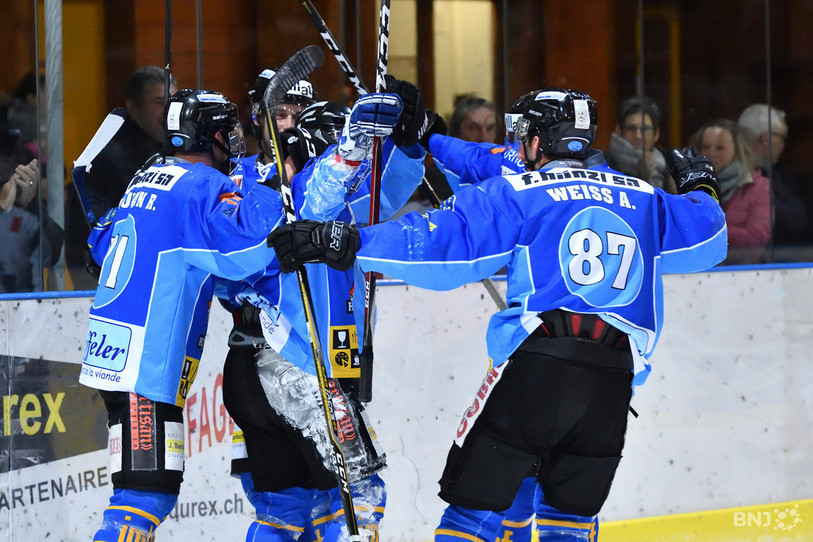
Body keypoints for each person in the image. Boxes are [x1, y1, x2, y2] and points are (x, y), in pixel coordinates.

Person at [268, 88, 728, 542]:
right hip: (612, 381)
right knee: (568, 525)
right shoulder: (646, 197)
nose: (517, 143)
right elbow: (709, 238)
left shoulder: (521, 192)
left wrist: (347, 242)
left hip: (538, 369)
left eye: (523, 134)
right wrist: (702, 188)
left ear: (538, 140)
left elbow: (442, 242)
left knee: (471, 518)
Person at [220, 73, 427, 542]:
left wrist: (408, 142)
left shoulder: (314, 186)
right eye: (280, 113)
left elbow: (380, 192)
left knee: (288, 510)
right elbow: (315, 197)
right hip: (293, 361)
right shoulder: (253, 183)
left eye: (298, 114)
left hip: (275, 368)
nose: (289, 123)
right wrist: (349, 147)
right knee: (359, 501)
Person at [80, 88, 288, 542]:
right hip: (145, 367)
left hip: (115, 356)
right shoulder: (201, 186)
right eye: (228, 130)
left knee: (142, 494)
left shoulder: (146, 176)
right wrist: (271, 186)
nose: (235, 139)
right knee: (143, 499)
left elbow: (100, 244)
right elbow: (247, 249)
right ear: (212, 136)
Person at [65, 66, 178, 289]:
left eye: (172, 101)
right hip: (114, 280)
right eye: (158, 102)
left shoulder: (176, 152)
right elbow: (87, 234)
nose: (167, 110)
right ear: (133, 107)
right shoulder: (109, 158)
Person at [690, 118, 770, 264]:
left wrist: (711, 227)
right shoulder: (689, 186)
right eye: (706, 146)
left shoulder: (759, 187)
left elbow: (757, 238)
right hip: (697, 270)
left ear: (737, 151)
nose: (711, 153)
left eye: (720, 148)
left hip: (741, 271)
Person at [738, 103, 807, 248]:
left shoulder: (777, 173)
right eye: (782, 138)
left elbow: (798, 218)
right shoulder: (735, 175)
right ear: (765, 138)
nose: (783, 145)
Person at [605, 95, 675, 193]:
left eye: (645, 129)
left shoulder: (668, 166)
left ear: (656, 134)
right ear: (619, 131)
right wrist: (641, 177)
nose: (638, 136)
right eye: (631, 128)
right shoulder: (605, 164)